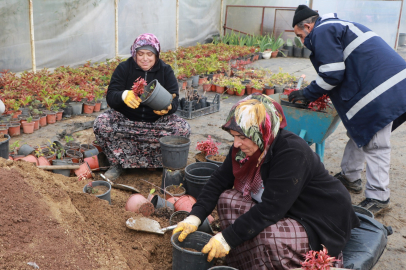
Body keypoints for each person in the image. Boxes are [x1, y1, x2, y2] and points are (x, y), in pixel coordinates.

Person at [173, 94, 359, 270]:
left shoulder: (291, 153)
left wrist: (226, 238)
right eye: (234, 136)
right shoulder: (247, 147)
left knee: (269, 237)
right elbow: (219, 180)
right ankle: (242, 261)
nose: (236, 144)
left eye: (242, 137)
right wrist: (195, 217)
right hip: (286, 209)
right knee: (227, 199)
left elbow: (271, 209)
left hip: (319, 219)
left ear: (263, 133)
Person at [288, 5, 406, 215]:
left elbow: (333, 73)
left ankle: (378, 197)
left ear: (307, 26)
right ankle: (350, 176)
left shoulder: (322, 30)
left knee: (376, 142)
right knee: (360, 131)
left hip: (384, 90)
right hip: (383, 85)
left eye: (300, 36)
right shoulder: (336, 26)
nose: (301, 41)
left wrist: (307, 94)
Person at [93, 33, 191, 180]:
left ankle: (162, 164)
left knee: (182, 128)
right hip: (127, 121)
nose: (145, 58)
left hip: (156, 123)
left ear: (156, 55)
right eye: (141, 54)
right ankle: (118, 163)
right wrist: (123, 95)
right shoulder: (124, 68)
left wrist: (168, 108)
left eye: (149, 54)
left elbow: (175, 99)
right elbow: (111, 96)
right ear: (134, 54)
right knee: (101, 123)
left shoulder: (165, 70)